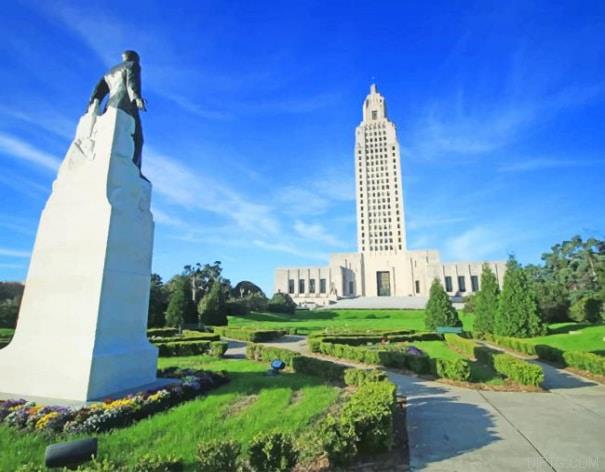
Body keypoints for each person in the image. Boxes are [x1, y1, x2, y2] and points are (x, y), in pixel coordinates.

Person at [89, 50, 146, 170]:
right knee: (138, 139)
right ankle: (134, 169)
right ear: (135, 58)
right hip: (125, 106)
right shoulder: (133, 65)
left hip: (109, 107)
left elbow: (98, 91)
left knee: (107, 138)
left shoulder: (110, 72)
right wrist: (136, 97)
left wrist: (92, 105)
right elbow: (132, 81)